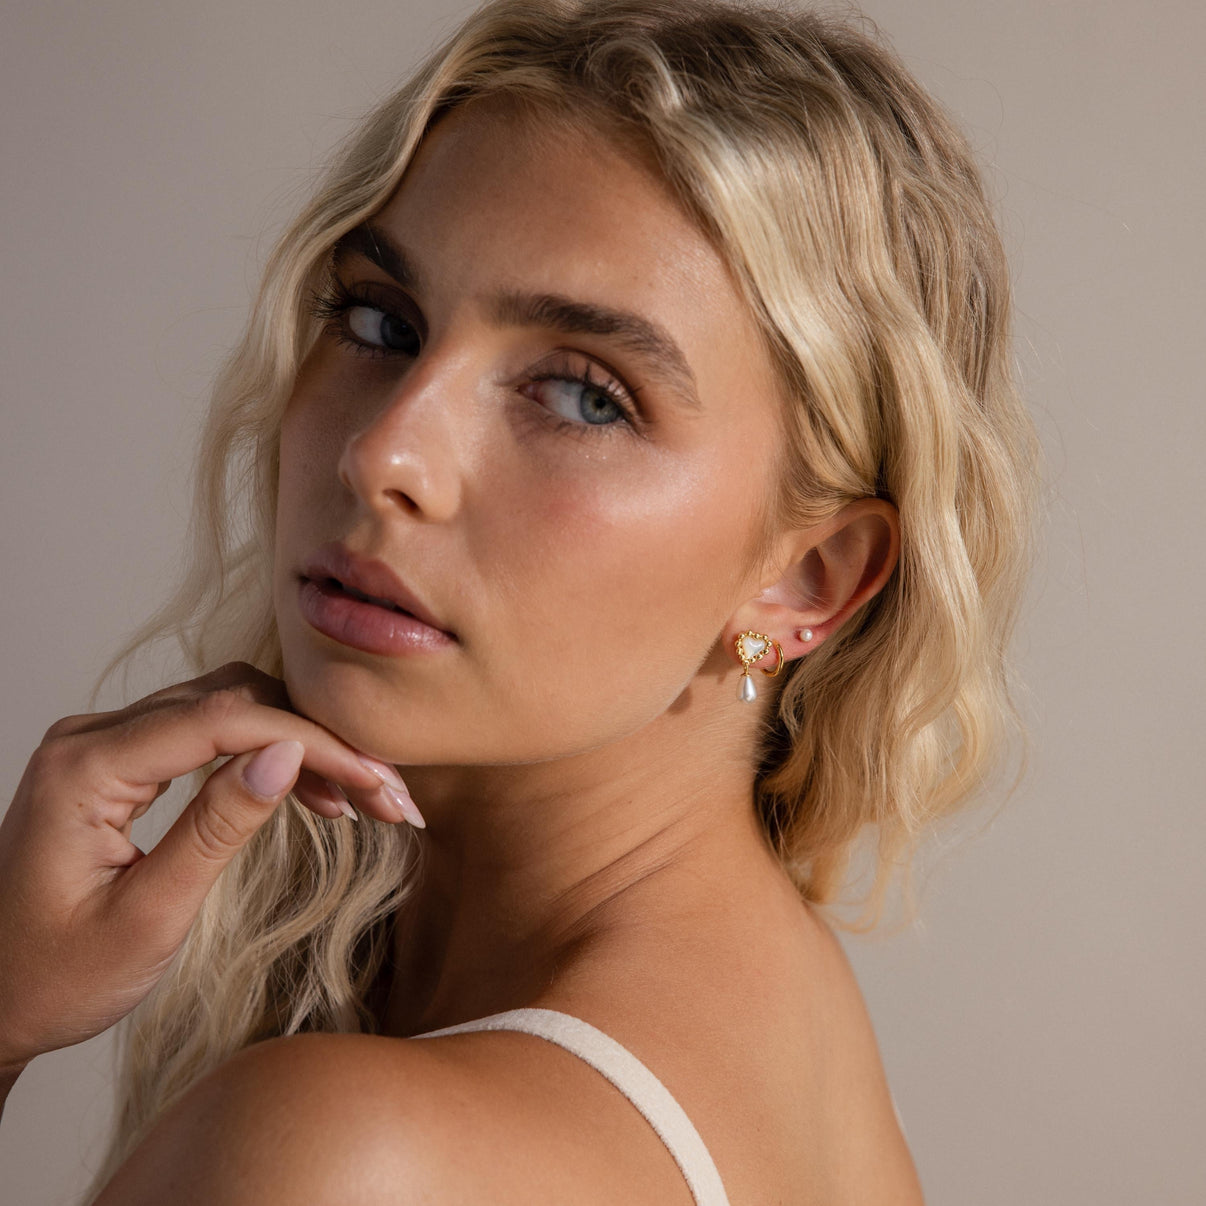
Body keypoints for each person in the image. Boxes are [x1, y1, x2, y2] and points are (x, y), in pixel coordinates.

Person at [0, 0, 1040, 1201]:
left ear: (807, 578)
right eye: (382, 321)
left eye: (587, 396)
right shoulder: (787, 1026)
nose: (384, 454)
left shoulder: (344, 1154)